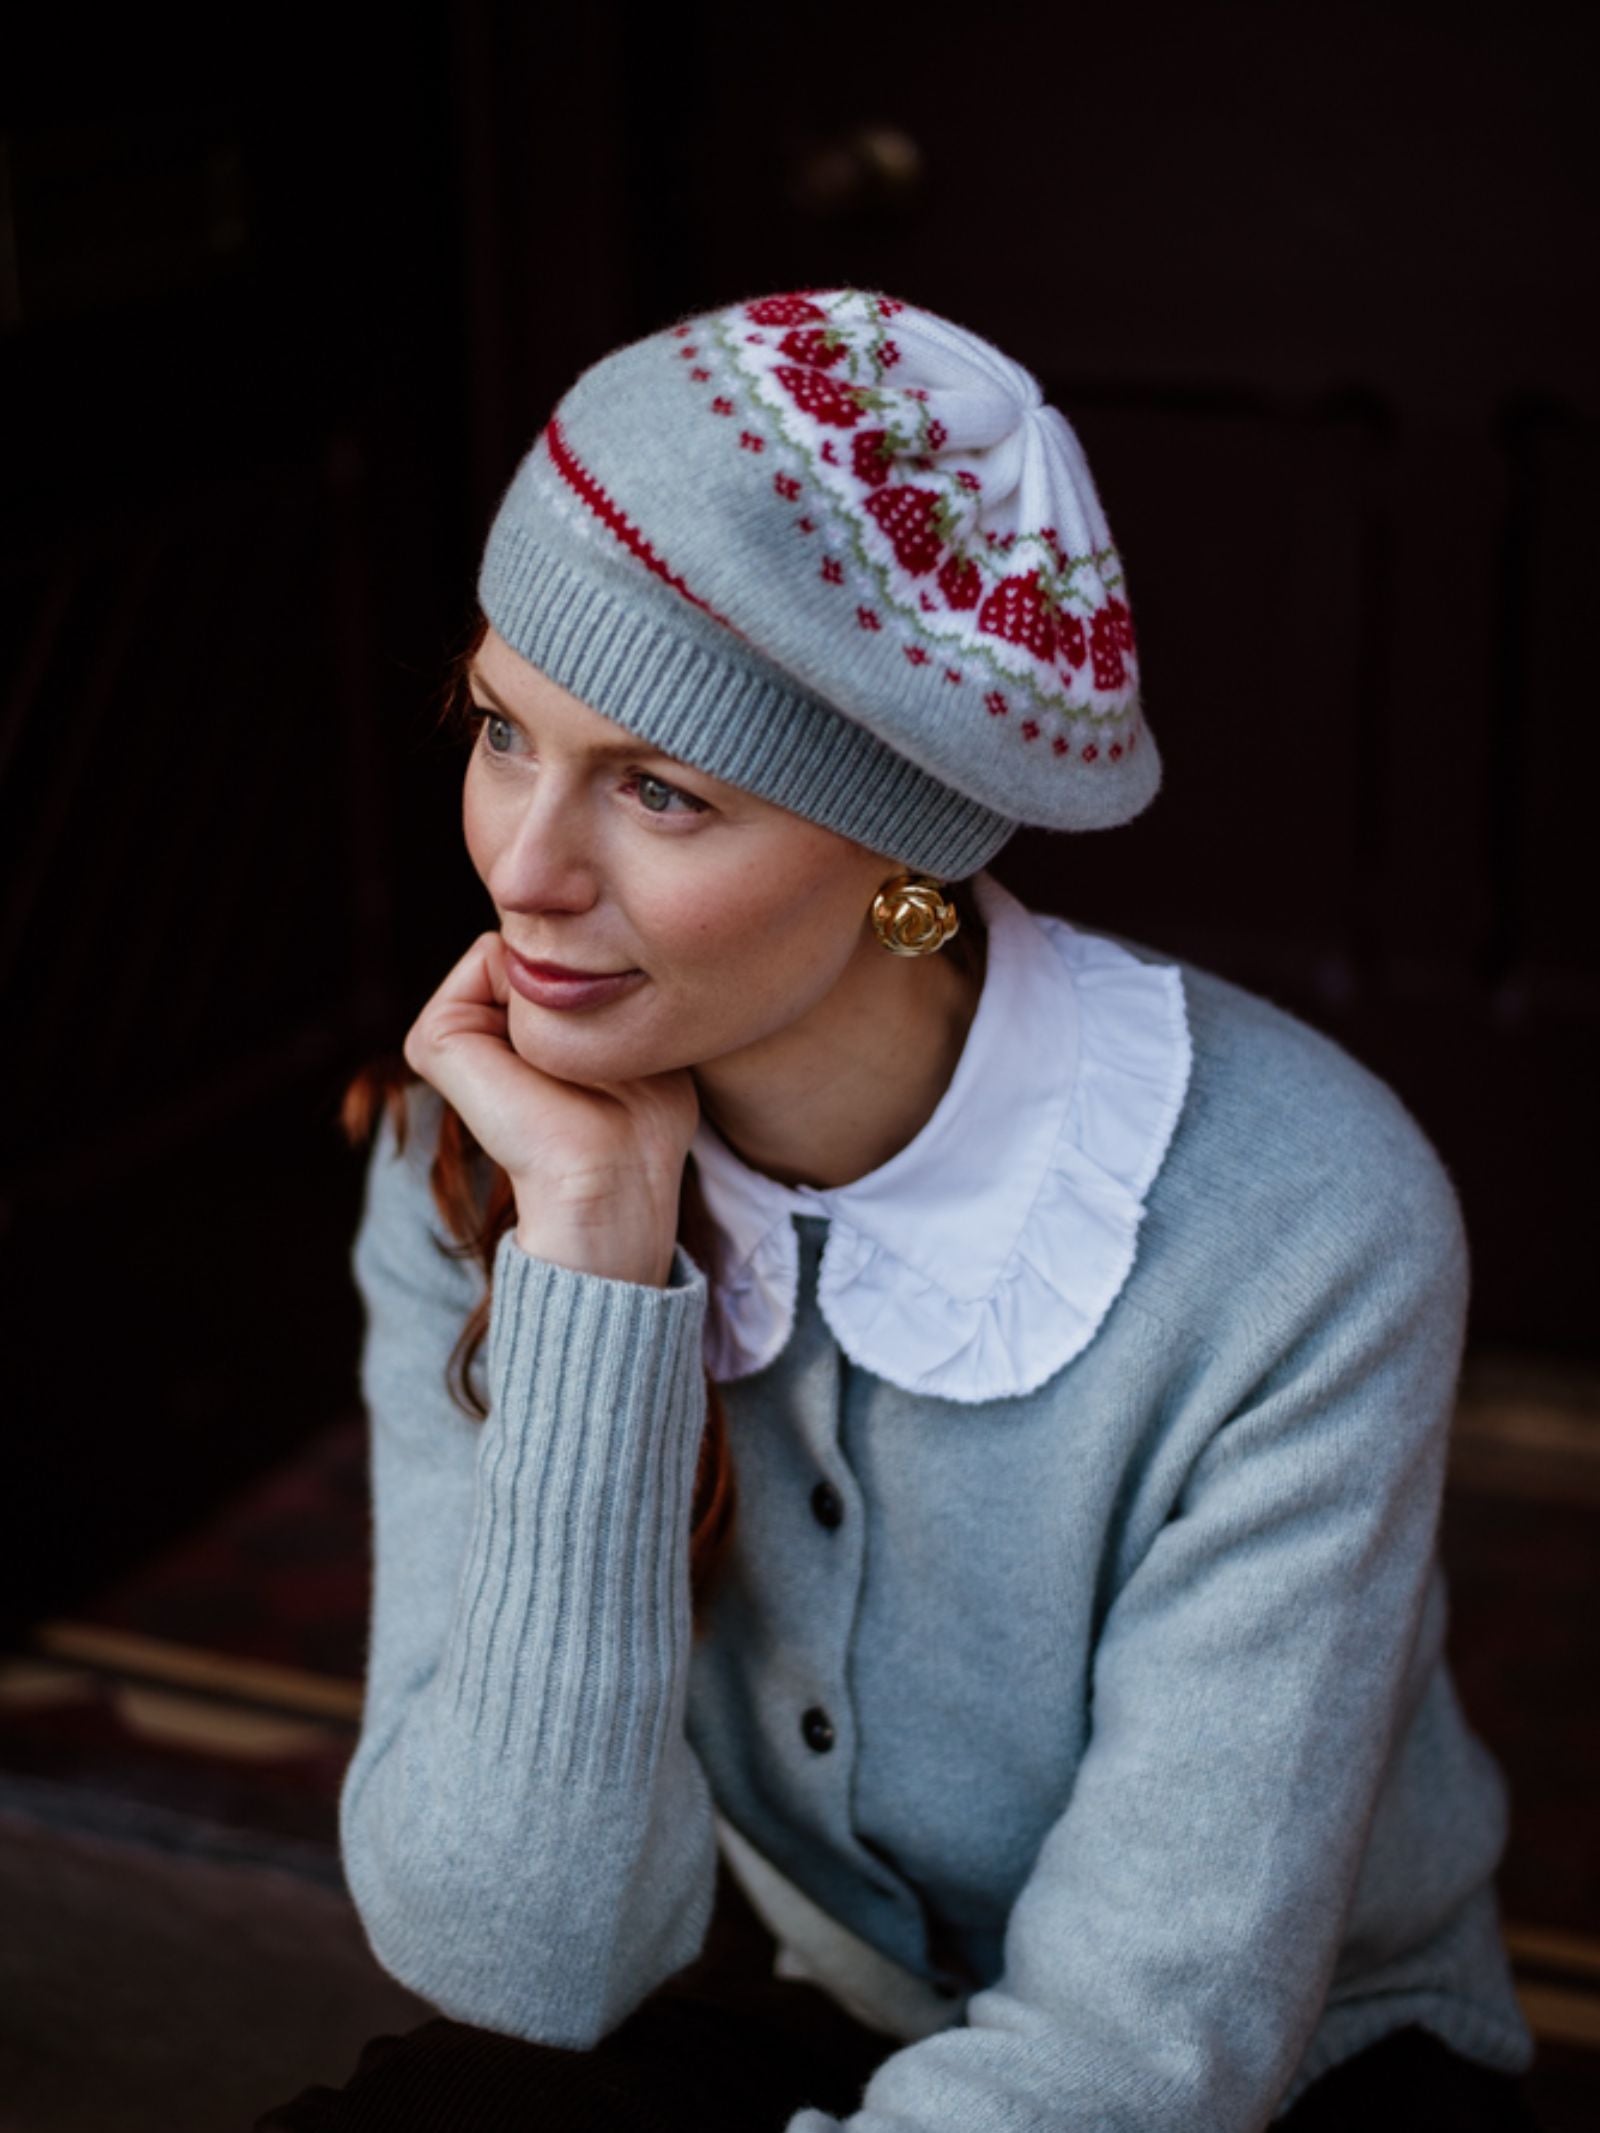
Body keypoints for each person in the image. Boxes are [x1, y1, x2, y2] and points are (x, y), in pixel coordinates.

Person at [257, 289, 1539, 2131]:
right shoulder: (480, 1157)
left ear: (903, 858)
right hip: (814, 1999)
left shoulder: (1305, 1230)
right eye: (502, 729)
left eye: (662, 790)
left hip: (1304, 2066)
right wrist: (595, 1271)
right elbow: (524, 1962)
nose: (523, 867)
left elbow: (1145, 2055)